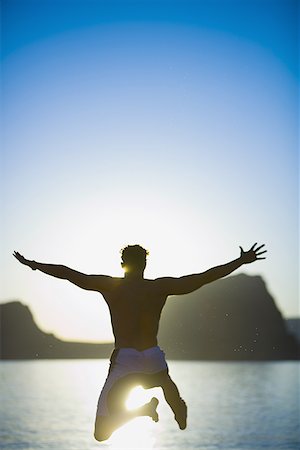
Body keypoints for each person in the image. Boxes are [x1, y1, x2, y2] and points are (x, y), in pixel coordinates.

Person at [13, 242, 266, 441]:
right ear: (145, 264)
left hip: (125, 360)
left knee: (101, 434)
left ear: (123, 264)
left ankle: (145, 404)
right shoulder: (159, 288)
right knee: (158, 375)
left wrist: (33, 264)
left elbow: (69, 274)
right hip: (154, 355)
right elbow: (202, 278)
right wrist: (240, 261)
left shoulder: (111, 286)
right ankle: (159, 384)